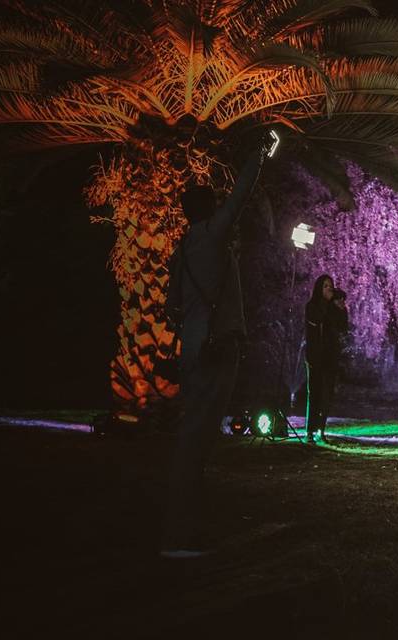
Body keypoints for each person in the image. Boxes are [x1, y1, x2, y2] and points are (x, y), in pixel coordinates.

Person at [160, 134, 274, 558]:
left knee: (194, 436)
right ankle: (178, 536)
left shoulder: (183, 249)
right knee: (195, 441)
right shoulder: (210, 235)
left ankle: (185, 527)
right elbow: (241, 195)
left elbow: (171, 306)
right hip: (216, 347)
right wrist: (258, 153)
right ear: (208, 210)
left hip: (193, 347)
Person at [304, 275, 348, 444]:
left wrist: (341, 308)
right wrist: (327, 304)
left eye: (331, 286)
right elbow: (316, 319)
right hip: (315, 356)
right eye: (325, 286)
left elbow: (343, 327)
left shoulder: (333, 308)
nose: (329, 289)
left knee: (326, 394)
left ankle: (320, 430)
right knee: (314, 393)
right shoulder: (312, 306)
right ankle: (310, 430)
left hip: (330, 356)